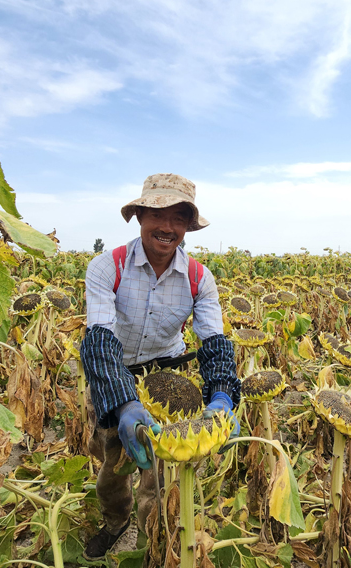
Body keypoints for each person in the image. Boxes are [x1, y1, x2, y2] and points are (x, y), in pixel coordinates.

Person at [80, 173, 241, 560]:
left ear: (187, 226)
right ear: (139, 216)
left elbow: (214, 341)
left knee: (160, 474)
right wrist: (124, 403)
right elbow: (99, 339)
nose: (168, 228)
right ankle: (115, 521)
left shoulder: (200, 278)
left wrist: (221, 394)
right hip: (115, 370)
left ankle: (152, 540)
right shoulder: (107, 267)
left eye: (179, 219)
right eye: (158, 215)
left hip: (168, 377)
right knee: (113, 464)